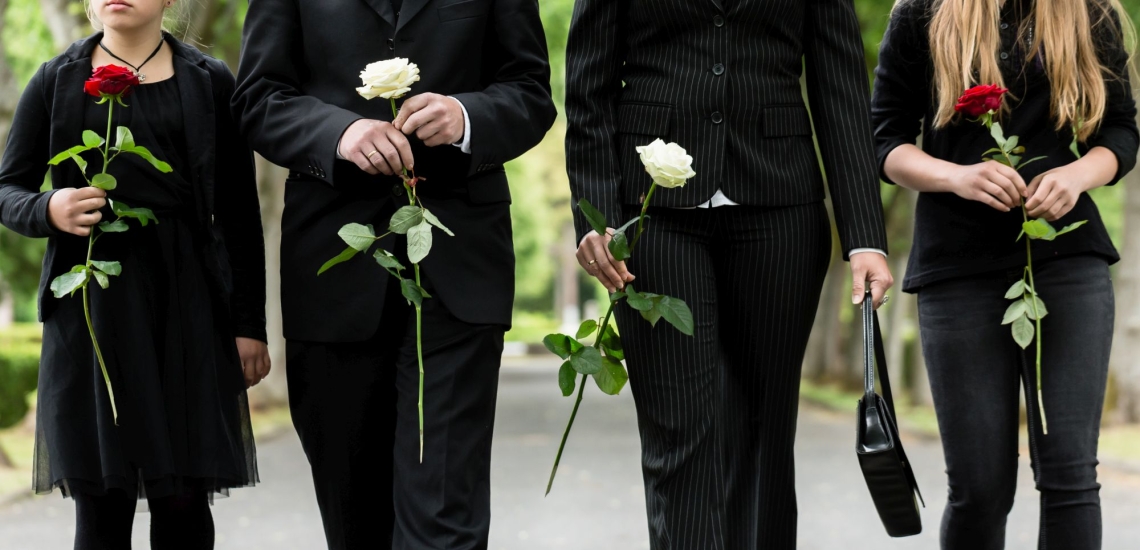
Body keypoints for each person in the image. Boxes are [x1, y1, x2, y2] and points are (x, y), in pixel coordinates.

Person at [564, 1, 893, 548]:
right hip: (651, 217)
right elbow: (587, 88)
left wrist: (864, 237)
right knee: (677, 431)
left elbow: (840, 86)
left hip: (781, 205)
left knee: (765, 431)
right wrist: (597, 217)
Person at [231, 1, 555, 548]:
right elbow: (258, 98)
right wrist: (340, 133)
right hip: (331, 271)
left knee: (445, 517)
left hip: (461, 269)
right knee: (355, 517)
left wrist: (466, 116)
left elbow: (530, 91)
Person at [0, 1, 269, 548]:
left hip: (188, 309)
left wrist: (248, 325)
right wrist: (48, 209)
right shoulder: (54, 79)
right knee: (101, 505)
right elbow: (8, 188)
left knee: (184, 503)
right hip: (90, 309)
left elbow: (240, 214)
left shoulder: (210, 80)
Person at [872, 0, 1137, 548]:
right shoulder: (921, 13)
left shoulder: (1091, 13)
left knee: (1070, 477)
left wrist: (1076, 177)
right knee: (979, 488)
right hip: (955, 269)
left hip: (1067, 261)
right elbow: (885, 140)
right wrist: (956, 177)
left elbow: (1120, 133)